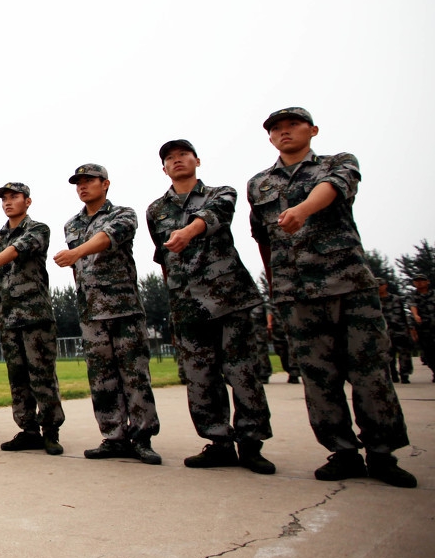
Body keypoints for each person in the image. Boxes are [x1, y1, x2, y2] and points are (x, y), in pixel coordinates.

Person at [248, 107, 413, 487]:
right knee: (318, 377)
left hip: (348, 284)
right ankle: (342, 452)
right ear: (269, 137)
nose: (284, 132)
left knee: (369, 371)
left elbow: (335, 188)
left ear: (313, 130)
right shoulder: (260, 184)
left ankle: (383, 454)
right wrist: (274, 284)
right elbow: (263, 238)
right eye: (276, 128)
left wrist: (302, 209)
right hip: (295, 293)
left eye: (293, 125)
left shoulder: (337, 162)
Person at [147, 140, 275, 474]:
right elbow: (164, 257)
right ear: (164, 168)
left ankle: (251, 444)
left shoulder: (221, 193)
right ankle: (219, 443)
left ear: (197, 161)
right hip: (187, 304)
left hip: (229, 298)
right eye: (170, 158)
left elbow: (214, 217)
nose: (177, 161)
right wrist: (174, 300)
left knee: (242, 373)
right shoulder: (156, 210)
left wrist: (188, 232)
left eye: (183, 155)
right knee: (200, 378)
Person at [54, 164, 161, 465]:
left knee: (134, 375)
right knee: (102, 379)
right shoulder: (72, 225)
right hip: (91, 311)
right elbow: (78, 271)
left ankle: (142, 438)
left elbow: (106, 238)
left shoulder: (123, 214)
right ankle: (113, 437)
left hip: (123, 308)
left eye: (89, 181)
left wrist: (77, 252)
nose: (82, 186)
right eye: (78, 183)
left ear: (105, 184)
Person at [0, 182, 65, 455]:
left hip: (35, 315)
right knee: (18, 380)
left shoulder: (38, 229)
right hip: (9, 318)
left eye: (14, 197)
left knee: (42, 376)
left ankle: (51, 432)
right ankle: (28, 430)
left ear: (28, 201)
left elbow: (17, 250)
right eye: (4, 199)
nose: (8, 202)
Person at [377, 279, 413, 384]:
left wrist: (409, 328)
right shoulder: (372, 301)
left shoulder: (396, 299)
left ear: (386, 285)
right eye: (376, 285)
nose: (379, 287)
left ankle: (405, 375)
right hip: (383, 332)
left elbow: (404, 314)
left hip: (400, 331)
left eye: (381, 285)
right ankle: (393, 374)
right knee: (388, 355)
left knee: (404, 354)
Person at [408, 275, 434, 371]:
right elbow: (413, 306)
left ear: (427, 282)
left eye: (422, 280)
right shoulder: (412, 295)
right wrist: (416, 315)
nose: (419, 283)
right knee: (428, 352)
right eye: (417, 281)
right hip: (423, 327)